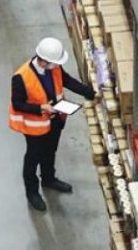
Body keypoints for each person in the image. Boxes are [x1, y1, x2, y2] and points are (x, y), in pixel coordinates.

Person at [10, 37, 96, 212]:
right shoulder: (21, 77)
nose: (56, 66)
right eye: (54, 63)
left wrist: (89, 92)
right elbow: (17, 103)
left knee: (50, 151)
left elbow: (67, 80)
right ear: (44, 60)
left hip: (55, 121)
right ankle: (32, 192)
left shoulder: (55, 67)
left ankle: (48, 179)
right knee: (33, 158)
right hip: (35, 127)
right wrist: (41, 108)